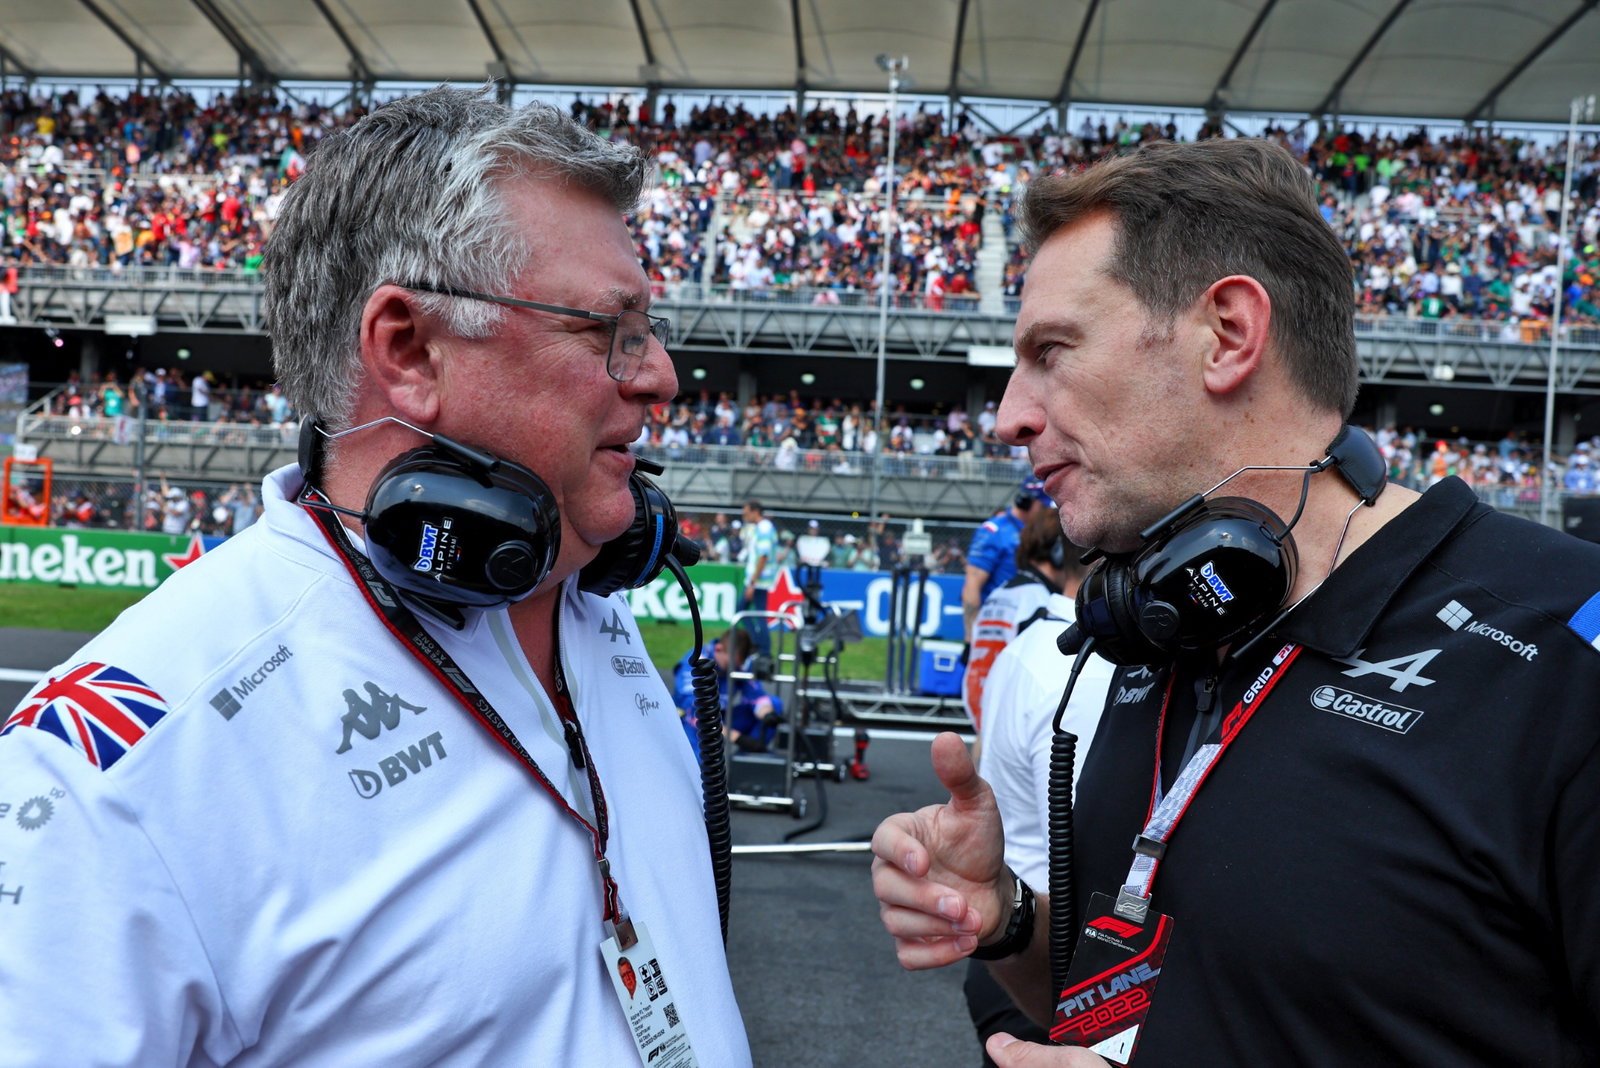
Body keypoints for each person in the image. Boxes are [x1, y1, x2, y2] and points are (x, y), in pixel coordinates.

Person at [0, 87, 750, 1066]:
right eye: (611, 330)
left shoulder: (579, 594)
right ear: (408, 349)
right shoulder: (120, 783)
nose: (660, 376)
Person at [870, 137, 1600, 1066]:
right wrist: (1010, 922)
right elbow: (1160, 1000)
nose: (1009, 413)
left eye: (1051, 350)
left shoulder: (1565, 661)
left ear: (1228, 334)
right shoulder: (1172, 622)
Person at [965, 527, 1114, 1065]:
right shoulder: (1086, 668)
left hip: (1021, 940)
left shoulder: (1033, 643)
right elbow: (1106, 855)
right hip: (1054, 960)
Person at [961, 504, 1070, 732]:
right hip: (1014, 723)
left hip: (986, 715)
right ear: (1059, 553)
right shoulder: (1040, 602)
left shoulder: (999, 594)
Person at [672, 626, 784, 758]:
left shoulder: (740, 663)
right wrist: (737, 737)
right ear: (719, 649)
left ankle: (746, 761)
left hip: (722, 716)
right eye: (730, 665)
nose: (733, 669)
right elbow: (695, 712)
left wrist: (766, 714)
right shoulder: (695, 662)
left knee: (775, 704)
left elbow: (757, 697)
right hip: (691, 724)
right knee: (702, 769)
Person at [962, 480, 1046, 643]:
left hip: (1027, 625)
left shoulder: (1036, 530)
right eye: (1043, 506)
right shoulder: (994, 531)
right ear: (1029, 503)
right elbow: (972, 584)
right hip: (996, 626)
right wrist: (971, 639)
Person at [738, 498, 779, 656]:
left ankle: (762, 649)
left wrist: (753, 583)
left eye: (746, 513)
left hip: (759, 581)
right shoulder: (761, 527)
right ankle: (759, 646)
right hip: (759, 580)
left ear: (755, 512)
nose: (744, 516)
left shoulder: (763, 528)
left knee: (753, 613)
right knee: (751, 612)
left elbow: (763, 556)